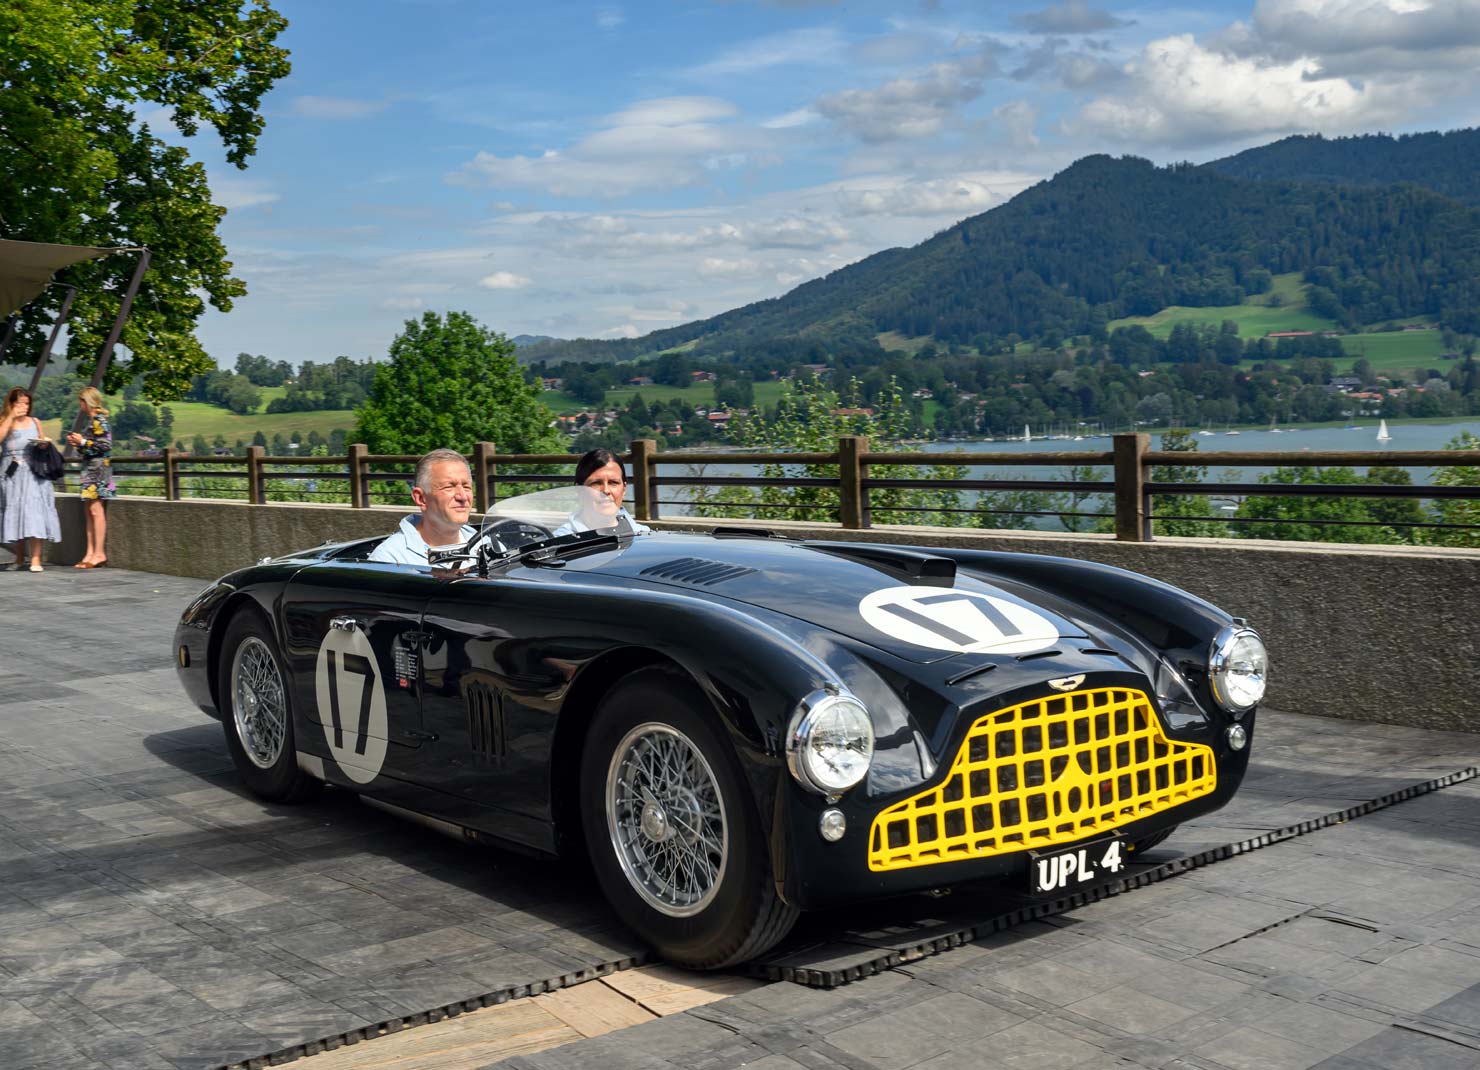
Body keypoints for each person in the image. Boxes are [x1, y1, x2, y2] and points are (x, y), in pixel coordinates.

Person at [369, 448, 478, 567]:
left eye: (466, 487)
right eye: (449, 487)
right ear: (421, 498)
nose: (462, 496)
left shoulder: (485, 544)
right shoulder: (390, 559)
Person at [0, 387, 61, 571]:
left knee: (36, 512)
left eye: (26, 403)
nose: (24, 407)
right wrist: (11, 416)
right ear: (11, 404)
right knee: (16, 512)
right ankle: (19, 557)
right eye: (19, 403)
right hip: (12, 470)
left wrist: (43, 444)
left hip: (34, 471)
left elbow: (42, 442)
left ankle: (36, 558)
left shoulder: (35, 421)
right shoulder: (4, 421)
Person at [552, 448, 652, 537]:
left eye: (614, 483)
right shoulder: (560, 542)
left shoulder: (644, 536)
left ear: (624, 489)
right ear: (579, 490)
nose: (606, 490)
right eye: (596, 483)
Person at [65, 387, 114, 568]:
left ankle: (99, 553)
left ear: (88, 401)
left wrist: (83, 441)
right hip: (91, 470)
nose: (80, 405)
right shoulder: (93, 421)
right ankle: (90, 552)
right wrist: (78, 444)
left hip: (98, 470)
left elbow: (105, 445)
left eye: (81, 401)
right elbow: (92, 448)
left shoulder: (100, 420)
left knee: (95, 510)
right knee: (89, 511)